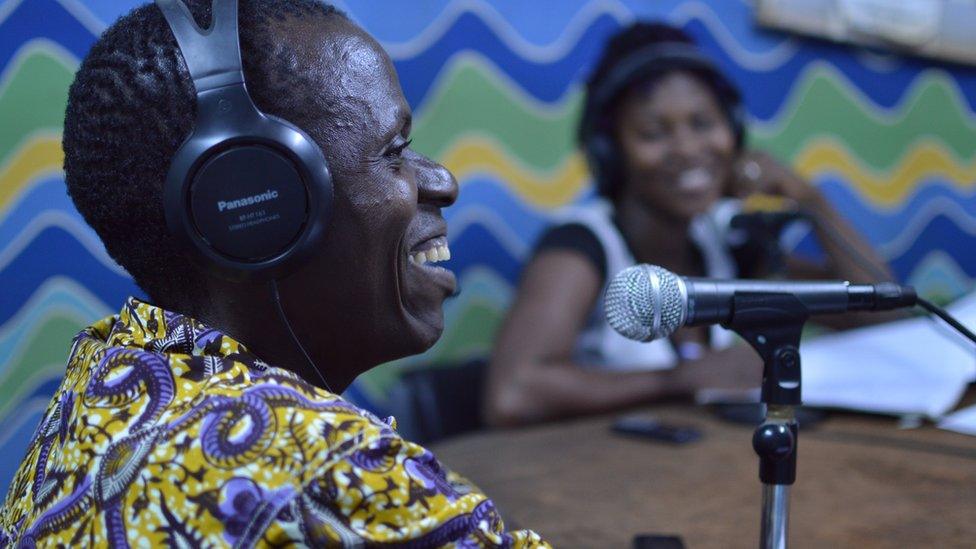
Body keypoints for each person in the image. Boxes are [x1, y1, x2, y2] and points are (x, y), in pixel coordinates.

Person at [0, 1, 548, 546]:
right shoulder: (329, 476)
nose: (443, 181)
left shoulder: (99, 384)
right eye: (395, 150)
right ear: (252, 205)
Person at [483, 22, 895, 427]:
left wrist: (811, 201)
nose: (687, 149)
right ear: (610, 152)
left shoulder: (726, 244)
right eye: (652, 133)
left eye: (703, 124)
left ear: (733, 132)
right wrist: (678, 379)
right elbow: (513, 394)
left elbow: (879, 319)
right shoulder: (581, 245)